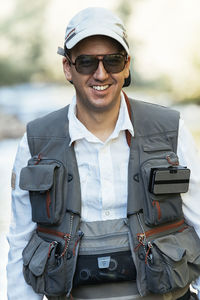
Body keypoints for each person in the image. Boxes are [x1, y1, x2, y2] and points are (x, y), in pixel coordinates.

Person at [7, 6, 200, 300]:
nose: (101, 73)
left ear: (127, 65)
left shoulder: (172, 131)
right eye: (86, 62)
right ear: (67, 67)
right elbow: (20, 243)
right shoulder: (34, 144)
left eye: (113, 60)